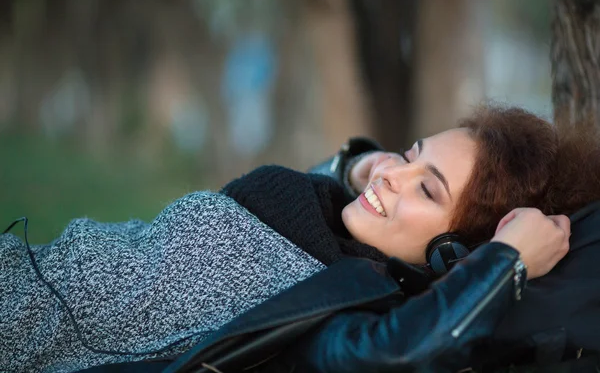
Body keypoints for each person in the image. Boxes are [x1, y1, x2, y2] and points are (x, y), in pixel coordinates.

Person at [0, 105, 589, 373]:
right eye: (411, 155)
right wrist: (351, 167)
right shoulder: (326, 219)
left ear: (453, 255)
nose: (393, 173)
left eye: (427, 190)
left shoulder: (346, 301)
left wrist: (506, 261)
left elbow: (398, 353)